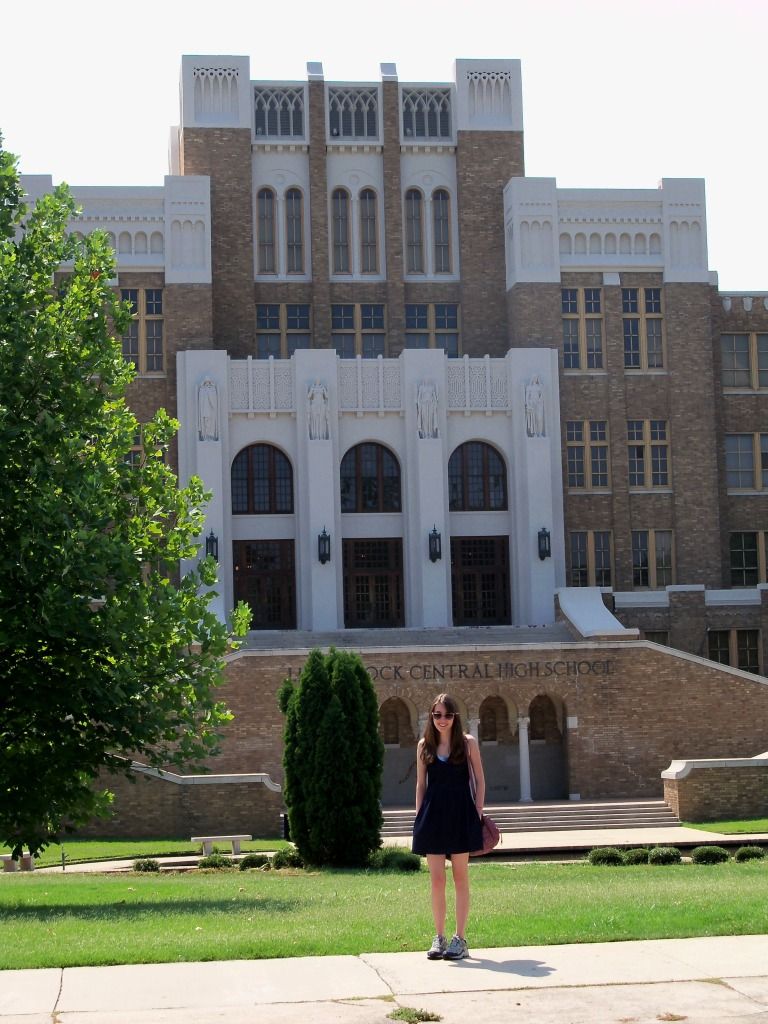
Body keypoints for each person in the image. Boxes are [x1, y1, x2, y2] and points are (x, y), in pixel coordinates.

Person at [412, 692, 486, 961]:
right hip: (433, 816)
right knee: (436, 880)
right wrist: (419, 816)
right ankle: (439, 937)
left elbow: (479, 780)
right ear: (431, 717)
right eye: (437, 715)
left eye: (448, 715)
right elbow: (421, 785)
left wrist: (477, 812)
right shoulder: (424, 746)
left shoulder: (468, 744)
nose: (442, 720)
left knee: (459, 877)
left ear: (456, 717)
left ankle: (460, 939)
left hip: (460, 814)